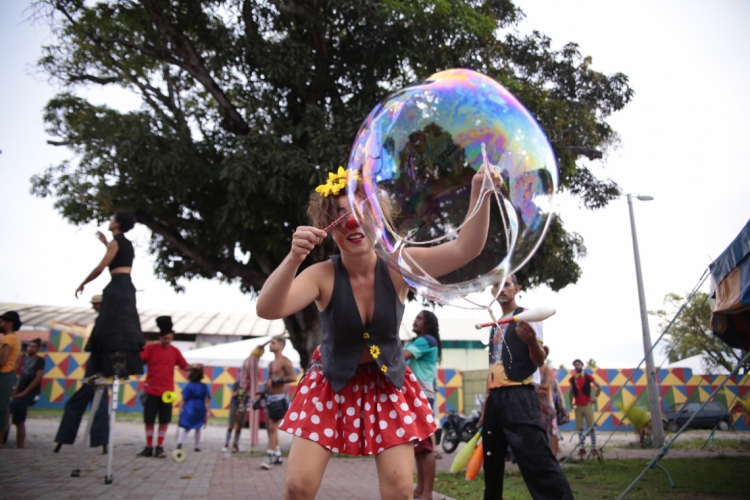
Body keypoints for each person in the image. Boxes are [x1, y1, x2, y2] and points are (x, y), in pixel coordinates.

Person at [257, 164, 495, 499]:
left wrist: (479, 190)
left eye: (360, 211)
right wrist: (294, 258)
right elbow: (267, 309)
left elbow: (465, 249)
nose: (352, 221)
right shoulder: (320, 274)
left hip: (387, 386)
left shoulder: (399, 266)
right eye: (340, 214)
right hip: (330, 385)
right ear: (329, 226)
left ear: (377, 219)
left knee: (400, 491)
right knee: (298, 488)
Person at [478, 276, 573, 500]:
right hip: (496, 399)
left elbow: (539, 361)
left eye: (506, 284)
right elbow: (493, 367)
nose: (500, 289)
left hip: (519, 395)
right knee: (491, 465)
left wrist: (531, 342)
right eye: (496, 285)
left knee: (536, 459)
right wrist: (485, 407)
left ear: (517, 289)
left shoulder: (528, 316)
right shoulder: (496, 325)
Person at [75, 211, 144, 378]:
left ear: (118, 223)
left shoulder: (116, 242)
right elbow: (119, 257)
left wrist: (83, 283)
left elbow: (100, 268)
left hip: (117, 287)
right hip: (127, 288)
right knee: (122, 328)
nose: (110, 221)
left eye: (113, 219)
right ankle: (120, 367)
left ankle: (103, 368)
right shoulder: (125, 243)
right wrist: (106, 243)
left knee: (107, 328)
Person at [138, 316, 201, 458]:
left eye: (170, 338)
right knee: (149, 419)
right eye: (165, 338)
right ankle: (149, 446)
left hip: (167, 392)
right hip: (151, 389)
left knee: (164, 420)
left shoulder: (174, 351)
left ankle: (159, 446)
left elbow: (184, 366)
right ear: (160, 337)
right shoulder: (150, 348)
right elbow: (139, 358)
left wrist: (195, 366)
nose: (167, 341)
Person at [54, 294, 110, 454]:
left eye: (95, 304)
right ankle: (100, 442)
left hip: (99, 364)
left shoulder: (105, 320)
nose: (93, 307)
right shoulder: (104, 319)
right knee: (94, 405)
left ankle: (65, 439)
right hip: (98, 362)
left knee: (94, 405)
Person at [405, 310, 441, 500]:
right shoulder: (422, 340)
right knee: (419, 446)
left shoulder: (425, 340)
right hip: (416, 395)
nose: (415, 320)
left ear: (428, 323)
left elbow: (401, 357)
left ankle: (427, 492)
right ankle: (420, 488)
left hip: (421, 396)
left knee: (425, 446)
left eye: (419, 318)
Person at [223, 342, 266, 453]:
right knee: (232, 424)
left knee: (240, 425)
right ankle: (227, 443)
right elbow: (233, 394)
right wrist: (239, 394)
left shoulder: (248, 382)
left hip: (243, 404)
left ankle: (235, 444)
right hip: (235, 404)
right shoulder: (238, 383)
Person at [259, 336, 295, 470]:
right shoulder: (270, 364)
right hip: (269, 398)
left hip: (279, 399)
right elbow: (268, 381)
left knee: (273, 427)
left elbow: (293, 377)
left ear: (281, 345)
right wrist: (261, 394)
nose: (270, 345)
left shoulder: (285, 361)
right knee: (270, 428)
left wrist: (275, 381)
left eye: (273, 343)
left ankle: (269, 456)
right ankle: (278, 454)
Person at [8, 339, 45, 448]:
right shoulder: (26, 361)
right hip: (20, 393)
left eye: (33, 347)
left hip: (29, 394)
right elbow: (21, 378)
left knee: (6, 411)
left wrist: (25, 392)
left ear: (38, 349)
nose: (30, 349)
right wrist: (15, 392)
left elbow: (38, 377)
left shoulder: (39, 361)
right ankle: (20, 446)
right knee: (19, 421)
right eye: (29, 346)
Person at [570, 358, 602, 456]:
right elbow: (571, 392)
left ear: (582, 365)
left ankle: (594, 448)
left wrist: (595, 397)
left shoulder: (588, 377)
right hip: (578, 405)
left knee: (591, 426)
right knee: (580, 427)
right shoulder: (572, 379)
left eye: (578, 364)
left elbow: (599, 386)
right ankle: (582, 448)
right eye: (575, 365)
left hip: (587, 403)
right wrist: (571, 403)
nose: (577, 366)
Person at [0, 311, 23, 447]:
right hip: (9, 374)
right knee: (3, 410)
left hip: (3, 375)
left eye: (2, 322)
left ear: (10, 323)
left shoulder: (8, 339)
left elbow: (2, 360)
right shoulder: (15, 339)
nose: (0, 324)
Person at [176, 367, 210, 452]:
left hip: (189, 407)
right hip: (199, 407)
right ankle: (197, 446)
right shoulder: (203, 386)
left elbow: (183, 399)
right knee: (198, 427)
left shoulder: (188, 385)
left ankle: (180, 443)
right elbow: (206, 400)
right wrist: (208, 411)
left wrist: (180, 410)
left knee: (187, 427)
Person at [536, 346, 559, 456]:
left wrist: (534, 389)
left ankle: (554, 456)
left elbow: (545, 386)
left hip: (547, 404)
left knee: (552, 430)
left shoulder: (546, 369)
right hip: (537, 405)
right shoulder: (534, 370)